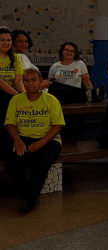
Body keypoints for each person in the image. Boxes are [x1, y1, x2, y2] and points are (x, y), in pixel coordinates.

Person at [3, 68, 65, 213]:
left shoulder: (51, 100)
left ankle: (29, 199)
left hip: (48, 139)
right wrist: (17, 140)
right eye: (26, 80)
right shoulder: (16, 99)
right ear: (23, 82)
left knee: (43, 161)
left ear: (41, 82)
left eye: (33, 80)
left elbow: (58, 125)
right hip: (23, 137)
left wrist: (41, 143)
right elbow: (10, 123)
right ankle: (28, 196)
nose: (30, 83)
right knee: (11, 157)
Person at [0, 27, 24, 95]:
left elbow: (18, 81)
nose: (6, 43)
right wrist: (16, 94)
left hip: (12, 93)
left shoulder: (16, 57)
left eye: (8, 40)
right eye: (2, 40)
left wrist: (23, 95)